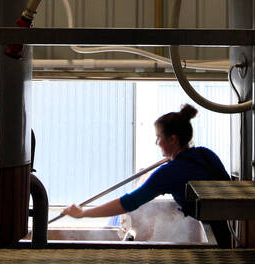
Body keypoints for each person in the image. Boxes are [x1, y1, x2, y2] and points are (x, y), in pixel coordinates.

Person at [63, 104, 234, 246]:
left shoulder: (169, 173)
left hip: (214, 234)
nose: (157, 143)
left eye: (159, 138)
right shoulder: (206, 154)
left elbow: (128, 202)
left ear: (172, 140)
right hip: (225, 230)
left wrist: (83, 213)